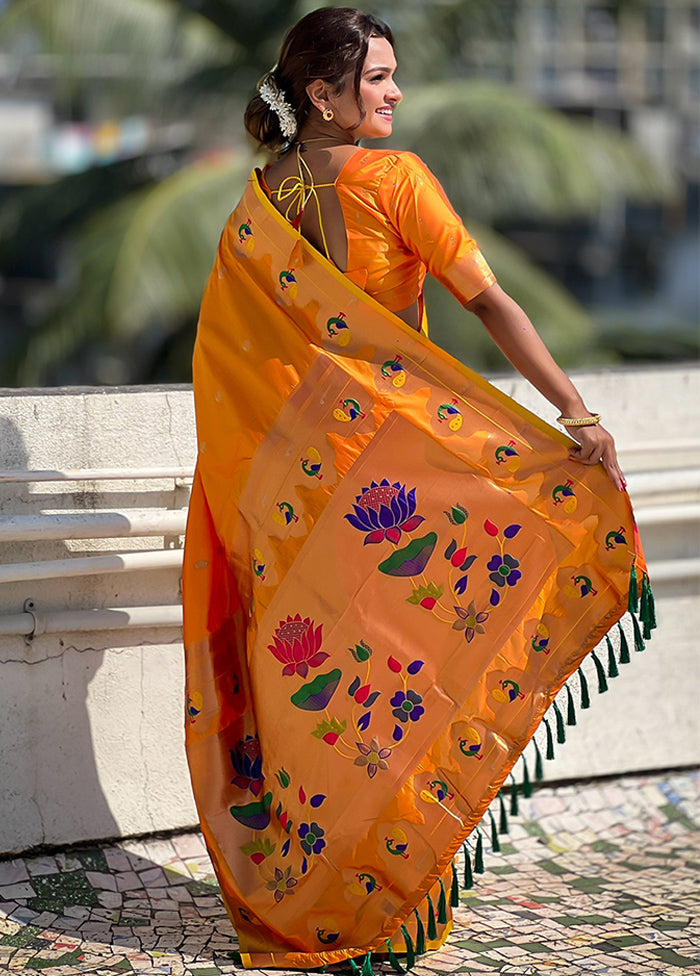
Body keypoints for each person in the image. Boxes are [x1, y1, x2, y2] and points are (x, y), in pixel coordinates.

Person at [183, 7, 654, 972]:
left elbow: (240, 363)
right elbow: (487, 300)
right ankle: (382, 903)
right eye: (380, 77)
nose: (395, 93)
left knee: (317, 690)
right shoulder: (394, 179)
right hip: (387, 482)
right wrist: (575, 414)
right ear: (324, 93)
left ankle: (310, 899)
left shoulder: (260, 199)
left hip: (286, 496)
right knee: (401, 667)